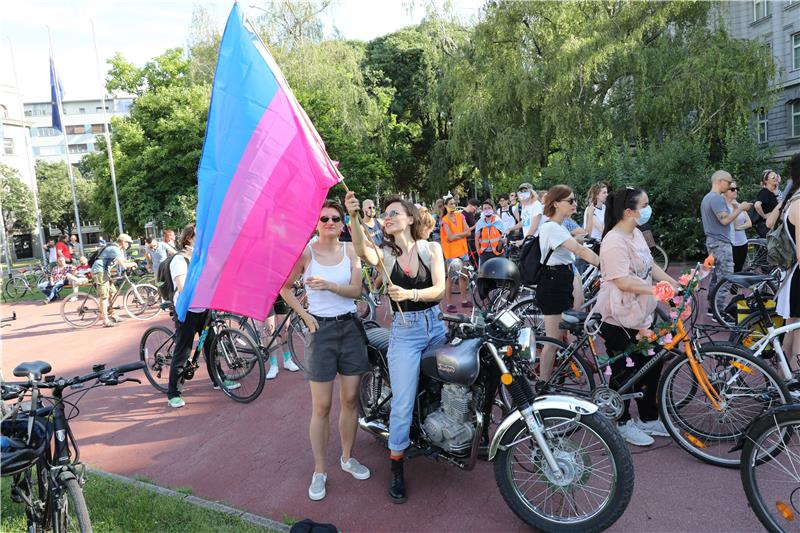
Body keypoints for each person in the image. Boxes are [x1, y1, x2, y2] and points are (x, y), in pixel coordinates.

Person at [345, 191, 447, 505]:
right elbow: (363, 251)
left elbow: (441, 289)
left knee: (444, 387)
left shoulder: (430, 248)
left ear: (410, 218)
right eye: (385, 214)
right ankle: (397, 462)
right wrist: (353, 217)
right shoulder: (386, 255)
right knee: (402, 404)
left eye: (394, 212)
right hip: (405, 333)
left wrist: (410, 295)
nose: (387, 217)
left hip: (435, 325)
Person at [280, 200, 371, 501]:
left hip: (350, 328)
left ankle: (347, 457)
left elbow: (356, 291)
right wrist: (305, 316)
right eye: (324, 218)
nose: (330, 222)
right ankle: (320, 470)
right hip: (320, 331)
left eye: (335, 218)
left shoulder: (350, 251)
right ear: (316, 223)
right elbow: (284, 287)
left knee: (349, 399)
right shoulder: (306, 251)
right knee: (321, 406)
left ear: (343, 224)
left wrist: (330, 287)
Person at [594, 187, 680, 446]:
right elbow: (621, 281)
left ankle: (648, 417)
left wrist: (672, 282)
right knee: (623, 369)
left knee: (651, 362)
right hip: (617, 315)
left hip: (641, 311)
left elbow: (650, 266)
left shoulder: (637, 234)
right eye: (644, 205)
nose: (648, 209)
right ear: (629, 212)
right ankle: (621, 423)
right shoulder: (612, 240)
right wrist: (656, 289)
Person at [167, 224, 239, 408]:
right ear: (189, 238)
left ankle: (219, 379)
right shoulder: (179, 259)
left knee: (211, 345)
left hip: (204, 309)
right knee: (183, 350)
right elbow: (183, 287)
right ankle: (173, 393)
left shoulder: (204, 258)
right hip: (187, 311)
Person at [536, 185, 600, 382]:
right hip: (553, 284)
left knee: (566, 334)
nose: (575, 204)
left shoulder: (561, 226)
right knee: (553, 341)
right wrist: (605, 264)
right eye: (570, 201)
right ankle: (542, 385)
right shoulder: (551, 227)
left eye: (575, 200)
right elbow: (580, 251)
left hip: (563, 280)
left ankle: (563, 372)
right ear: (556, 203)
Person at [700, 171, 752, 315]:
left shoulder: (707, 198)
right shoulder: (717, 199)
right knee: (727, 277)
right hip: (720, 243)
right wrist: (740, 208)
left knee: (717, 275)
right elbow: (724, 220)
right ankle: (719, 311)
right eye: (729, 183)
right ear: (720, 181)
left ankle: (713, 308)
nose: (730, 186)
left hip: (712, 242)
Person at [772, 154, 800, 374]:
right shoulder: (799, 204)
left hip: (793, 276)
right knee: (797, 334)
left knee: (792, 331)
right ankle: (796, 385)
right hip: (797, 277)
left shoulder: (793, 200)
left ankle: (783, 383)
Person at [91, 233, 137, 327]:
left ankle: (113, 315)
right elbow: (123, 265)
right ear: (123, 242)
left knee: (113, 292)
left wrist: (132, 262)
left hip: (105, 271)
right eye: (128, 243)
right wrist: (133, 264)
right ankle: (105, 320)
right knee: (104, 296)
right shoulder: (114, 249)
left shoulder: (118, 249)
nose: (128, 245)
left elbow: (123, 261)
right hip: (99, 271)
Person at [439, 196, 472, 312]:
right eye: (450, 204)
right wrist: (462, 234)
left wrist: (457, 235)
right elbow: (450, 237)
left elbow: (468, 232)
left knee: (463, 276)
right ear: (445, 206)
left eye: (454, 203)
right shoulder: (444, 220)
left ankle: (464, 300)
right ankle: (449, 304)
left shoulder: (460, 216)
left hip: (463, 250)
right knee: (451, 278)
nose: (453, 205)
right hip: (451, 253)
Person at [723, 181, 752, 273]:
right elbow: (734, 224)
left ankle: (734, 288)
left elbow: (749, 223)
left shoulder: (740, 205)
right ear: (725, 192)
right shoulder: (724, 207)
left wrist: (739, 228)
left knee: (739, 271)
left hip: (743, 242)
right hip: (732, 244)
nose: (735, 191)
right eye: (732, 189)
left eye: (736, 189)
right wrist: (736, 209)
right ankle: (726, 288)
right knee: (731, 271)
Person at [474, 199, 506, 265]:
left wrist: (503, 243)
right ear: (482, 211)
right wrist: (478, 251)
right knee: (485, 274)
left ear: (492, 209)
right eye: (485, 208)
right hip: (485, 253)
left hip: (498, 253)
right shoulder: (480, 223)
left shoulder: (498, 221)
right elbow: (476, 238)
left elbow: (504, 235)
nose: (487, 210)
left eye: (489, 208)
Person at [752, 169, 782, 237]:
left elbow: (781, 206)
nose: (776, 178)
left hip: (774, 226)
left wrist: (776, 191)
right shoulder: (764, 192)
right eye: (772, 177)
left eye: (776, 176)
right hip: (767, 227)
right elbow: (757, 205)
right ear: (766, 181)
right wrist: (764, 216)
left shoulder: (773, 193)